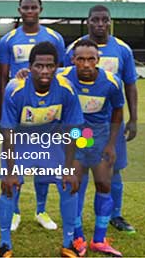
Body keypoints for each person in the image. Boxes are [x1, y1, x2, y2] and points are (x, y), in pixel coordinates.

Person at [0, 42, 82, 257]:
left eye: (50, 66)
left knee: (69, 186)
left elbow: (73, 131)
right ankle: (5, 244)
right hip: (21, 143)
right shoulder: (14, 90)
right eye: (39, 66)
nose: (44, 71)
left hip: (52, 144)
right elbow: (7, 132)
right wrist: (9, 170)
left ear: (57, 67)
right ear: (30, 66)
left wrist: (70, 167)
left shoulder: (66, 90)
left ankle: (68, 243)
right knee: (9, 187)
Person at [63, 5, 137, 234]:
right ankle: (76, 223)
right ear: (88, 22)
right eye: (95, 20)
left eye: (105, 20)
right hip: (79, 128)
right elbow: (62, 83)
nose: (100, 24)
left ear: (110, 22)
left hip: (106, 126)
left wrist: (133, 118)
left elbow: (130, 85)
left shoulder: (122, 50)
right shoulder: (73, 49)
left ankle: (115, 215)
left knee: (112, 169)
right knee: (80, 171)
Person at [58, 39, 125, 256]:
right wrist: (23, 75)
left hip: (99, 136)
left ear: (98, 60)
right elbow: (37, 76)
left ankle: (99, 239)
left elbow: (117, 111)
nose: (86, 64)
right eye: (81, 59)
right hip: (76, 135)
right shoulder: (62, 77)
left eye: (90, 59)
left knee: (104, 184)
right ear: (73, 60)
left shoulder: (112, 82)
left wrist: (111, 144)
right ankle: (77, 237)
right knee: (74, 185)